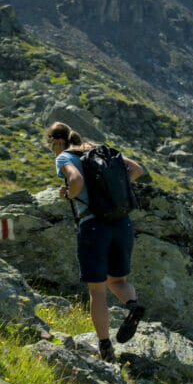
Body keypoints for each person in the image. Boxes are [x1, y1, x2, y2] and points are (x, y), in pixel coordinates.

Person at [47, 121, 145, 363]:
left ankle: (105, 347)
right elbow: (136, 170)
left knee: (97, 290)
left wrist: (68, 193)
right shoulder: (99, 148)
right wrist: (111, 191)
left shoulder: (64, 158)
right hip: (122, 222)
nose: (51, 149)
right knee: (118, 280)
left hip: (93, 226)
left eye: (50, 144)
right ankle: (132, 305)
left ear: (57, 141)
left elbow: (77, 180)